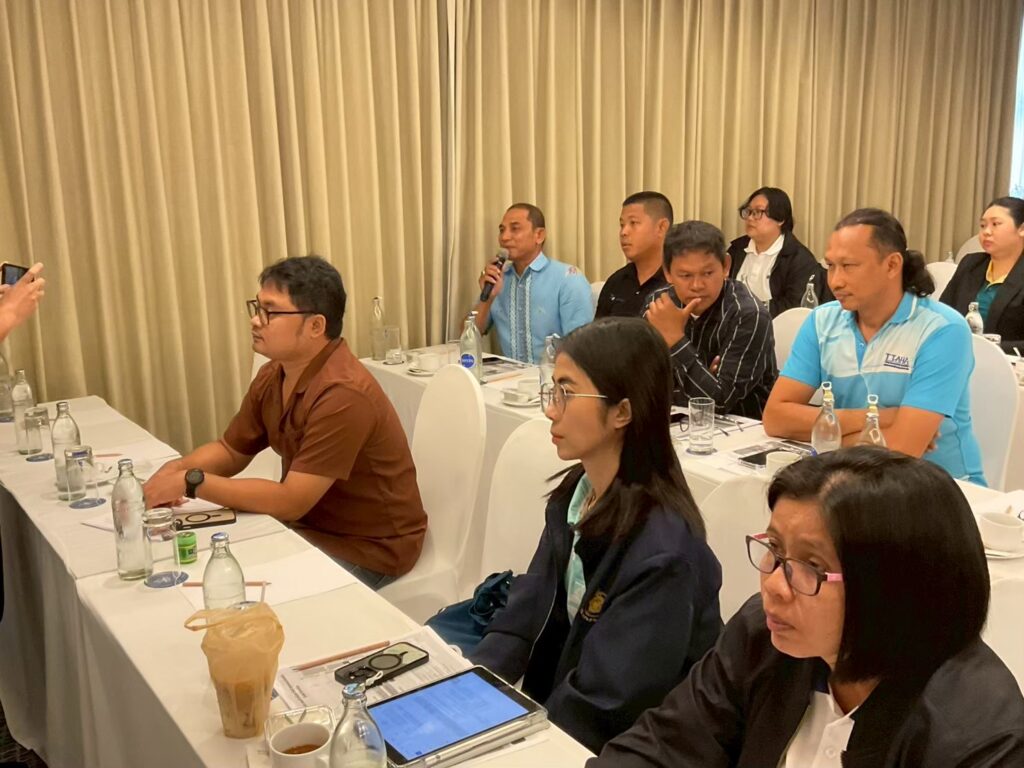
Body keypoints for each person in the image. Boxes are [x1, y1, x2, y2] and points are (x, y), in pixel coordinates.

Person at [589, 447, 1024, 767]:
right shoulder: (762, 634)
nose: (774, 585)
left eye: (812, 566)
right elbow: (661, 748)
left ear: (893, 587)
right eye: (775, 550)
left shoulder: (980, 738)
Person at [469, 318, 722, 753]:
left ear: (622, 412)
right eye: (552, 391)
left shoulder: (663, 552)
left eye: (566, 394)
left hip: (638, 747)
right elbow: (526, 615)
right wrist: (468, 691)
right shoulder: (576, 493)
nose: (550, 410)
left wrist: (518, 743)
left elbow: (606, 704)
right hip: (572, 715)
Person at [143, 256, 426, 589]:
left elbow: (291, 501)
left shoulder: (344, 394)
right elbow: (231, 450)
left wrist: (191, 482)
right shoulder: (274, 374)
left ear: (315, 326)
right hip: (307, 527)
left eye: (270, 312)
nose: (255, 321)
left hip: (368, 548)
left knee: (232, 589)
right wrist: (176, 470)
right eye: (257, 307)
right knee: (198, 564)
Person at [763, 208, 986, 485]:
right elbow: (776, 419)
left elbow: (903, 450)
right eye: (830, 266)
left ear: (892, 265)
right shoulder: (821, 321)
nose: (835, 281)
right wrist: (878, 418)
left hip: (939, 487)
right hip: (851, 480)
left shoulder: (942, 329)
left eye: (848, 266)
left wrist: (826, 436)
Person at [644, 221, 776, 418]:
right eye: (685, 275)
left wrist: (675, 342)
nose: (697, 285)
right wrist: (701, 378)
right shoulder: (658, 305)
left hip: (744, 425)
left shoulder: (748, 314)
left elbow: (718, 403)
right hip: (676, 421)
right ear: (668, 273)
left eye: (707, 273)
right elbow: (643, 383)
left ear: (725, 266)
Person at [474, 203, 593, 363]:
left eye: (515, 229)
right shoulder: (499, 279)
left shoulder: (569, 279)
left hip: (553, 376)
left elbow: (582, 350)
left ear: (539, 235)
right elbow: (468, 336)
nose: (504, 237)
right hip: (509, 375)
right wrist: (487, 299)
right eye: (502, 230)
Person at [728, 187, 830, 316]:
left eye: (758, 212)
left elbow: (795, 306)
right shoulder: (736, 249)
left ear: (780, 219)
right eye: (748, 211)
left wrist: (749, 311)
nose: (750, 218)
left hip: (777, 325)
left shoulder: (799, 259)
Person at [940, 196, 1024, 352]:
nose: (986, 232)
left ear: (1022, 229)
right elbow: (942, 313)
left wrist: (989, 347)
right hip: (959, 354)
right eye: (983, 225)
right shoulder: (971, 264)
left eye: (995, 224)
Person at [596, 191, 672, 318]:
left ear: (661, 227)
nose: (624, 232)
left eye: (633, 223)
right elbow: (598, 329)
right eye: (622, 225)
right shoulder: (617, 281)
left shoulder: (679, 281)